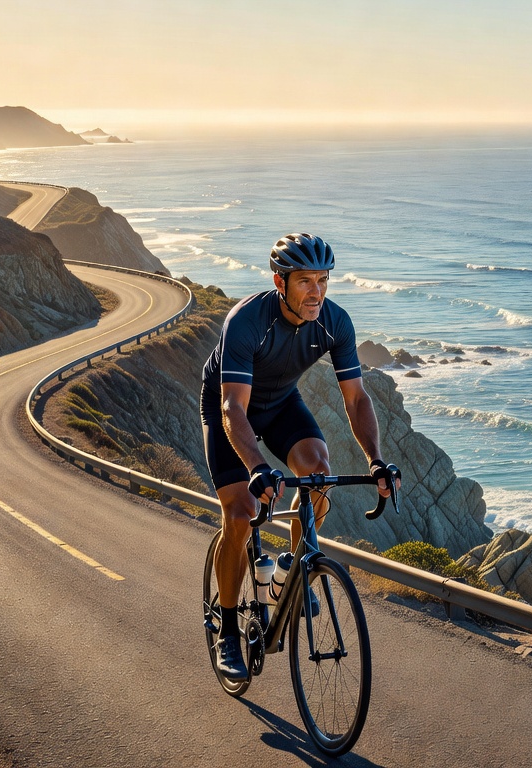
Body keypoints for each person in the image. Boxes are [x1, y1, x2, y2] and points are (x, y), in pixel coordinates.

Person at [201, 232, 395, 680]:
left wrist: (375, 460)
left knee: (319, 473)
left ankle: (294, 566)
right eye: (306, 281)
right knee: (240, 513)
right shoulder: (248, 320)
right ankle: (229, 629)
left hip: (282, 403)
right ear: (280, 282)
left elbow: (357, 399)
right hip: (230, 406)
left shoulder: (334, 321)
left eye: (324, 280)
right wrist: (257, 468)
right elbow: (232, 408)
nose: (317, 291)